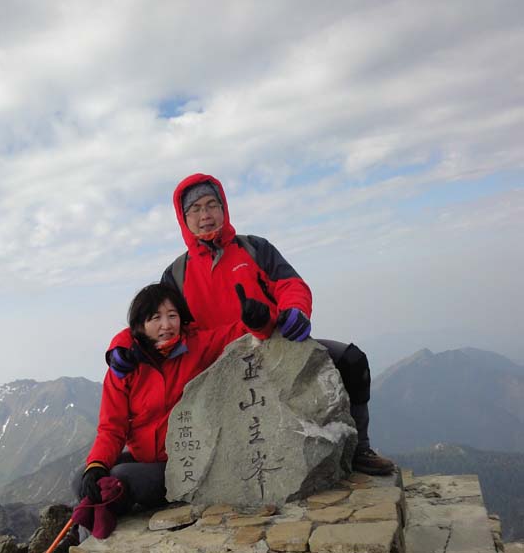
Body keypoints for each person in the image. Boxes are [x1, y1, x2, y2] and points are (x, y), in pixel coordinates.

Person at [156, 173, 394, 476]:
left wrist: (295, 312)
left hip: (275, 348)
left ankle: (360, 449)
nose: (205, 215)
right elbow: (156, 323)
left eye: (212, 204)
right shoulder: (176, 274)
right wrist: (123, 351)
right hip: (215, 370)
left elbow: (290, 284)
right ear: (183, 218)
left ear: (223, 208)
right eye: (195, 209)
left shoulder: (254, 248)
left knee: (352, 361)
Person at [78, 281, 274, 512]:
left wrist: (259, 320)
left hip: (185, 461)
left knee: (121, 478)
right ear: (139, 326)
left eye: (172, 315)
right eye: (155, 318)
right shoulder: (125, 368)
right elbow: (112, 427)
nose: (166, 325)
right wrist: (97, 465)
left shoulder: (196, 346)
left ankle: (117, 504)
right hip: (145, 459)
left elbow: (240, 332)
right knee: (84, 479)